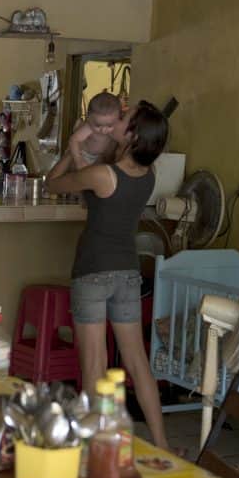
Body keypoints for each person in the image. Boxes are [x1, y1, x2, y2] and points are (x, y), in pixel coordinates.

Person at [45, 100, 173, 452]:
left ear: (131, 135)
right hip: (128, 275)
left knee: (94, 364)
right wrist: (103, 131)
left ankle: (96, 444)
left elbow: (52, 184)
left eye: (125, 120)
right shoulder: (148, 176)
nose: (118, 120)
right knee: (137, 362)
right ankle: (161, 442)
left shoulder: (103, 175)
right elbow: (101, 193)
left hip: (92, 274)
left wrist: (74, 145)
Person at [69, 91, 123, 169]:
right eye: (98, 125)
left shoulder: (117, 129)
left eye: (109, 125)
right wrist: (78, 160)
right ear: (88, 118)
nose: (104, 130)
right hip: (85, 155)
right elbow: (73, 140)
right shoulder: (88, 127)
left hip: (100, 158)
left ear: (118, 119)